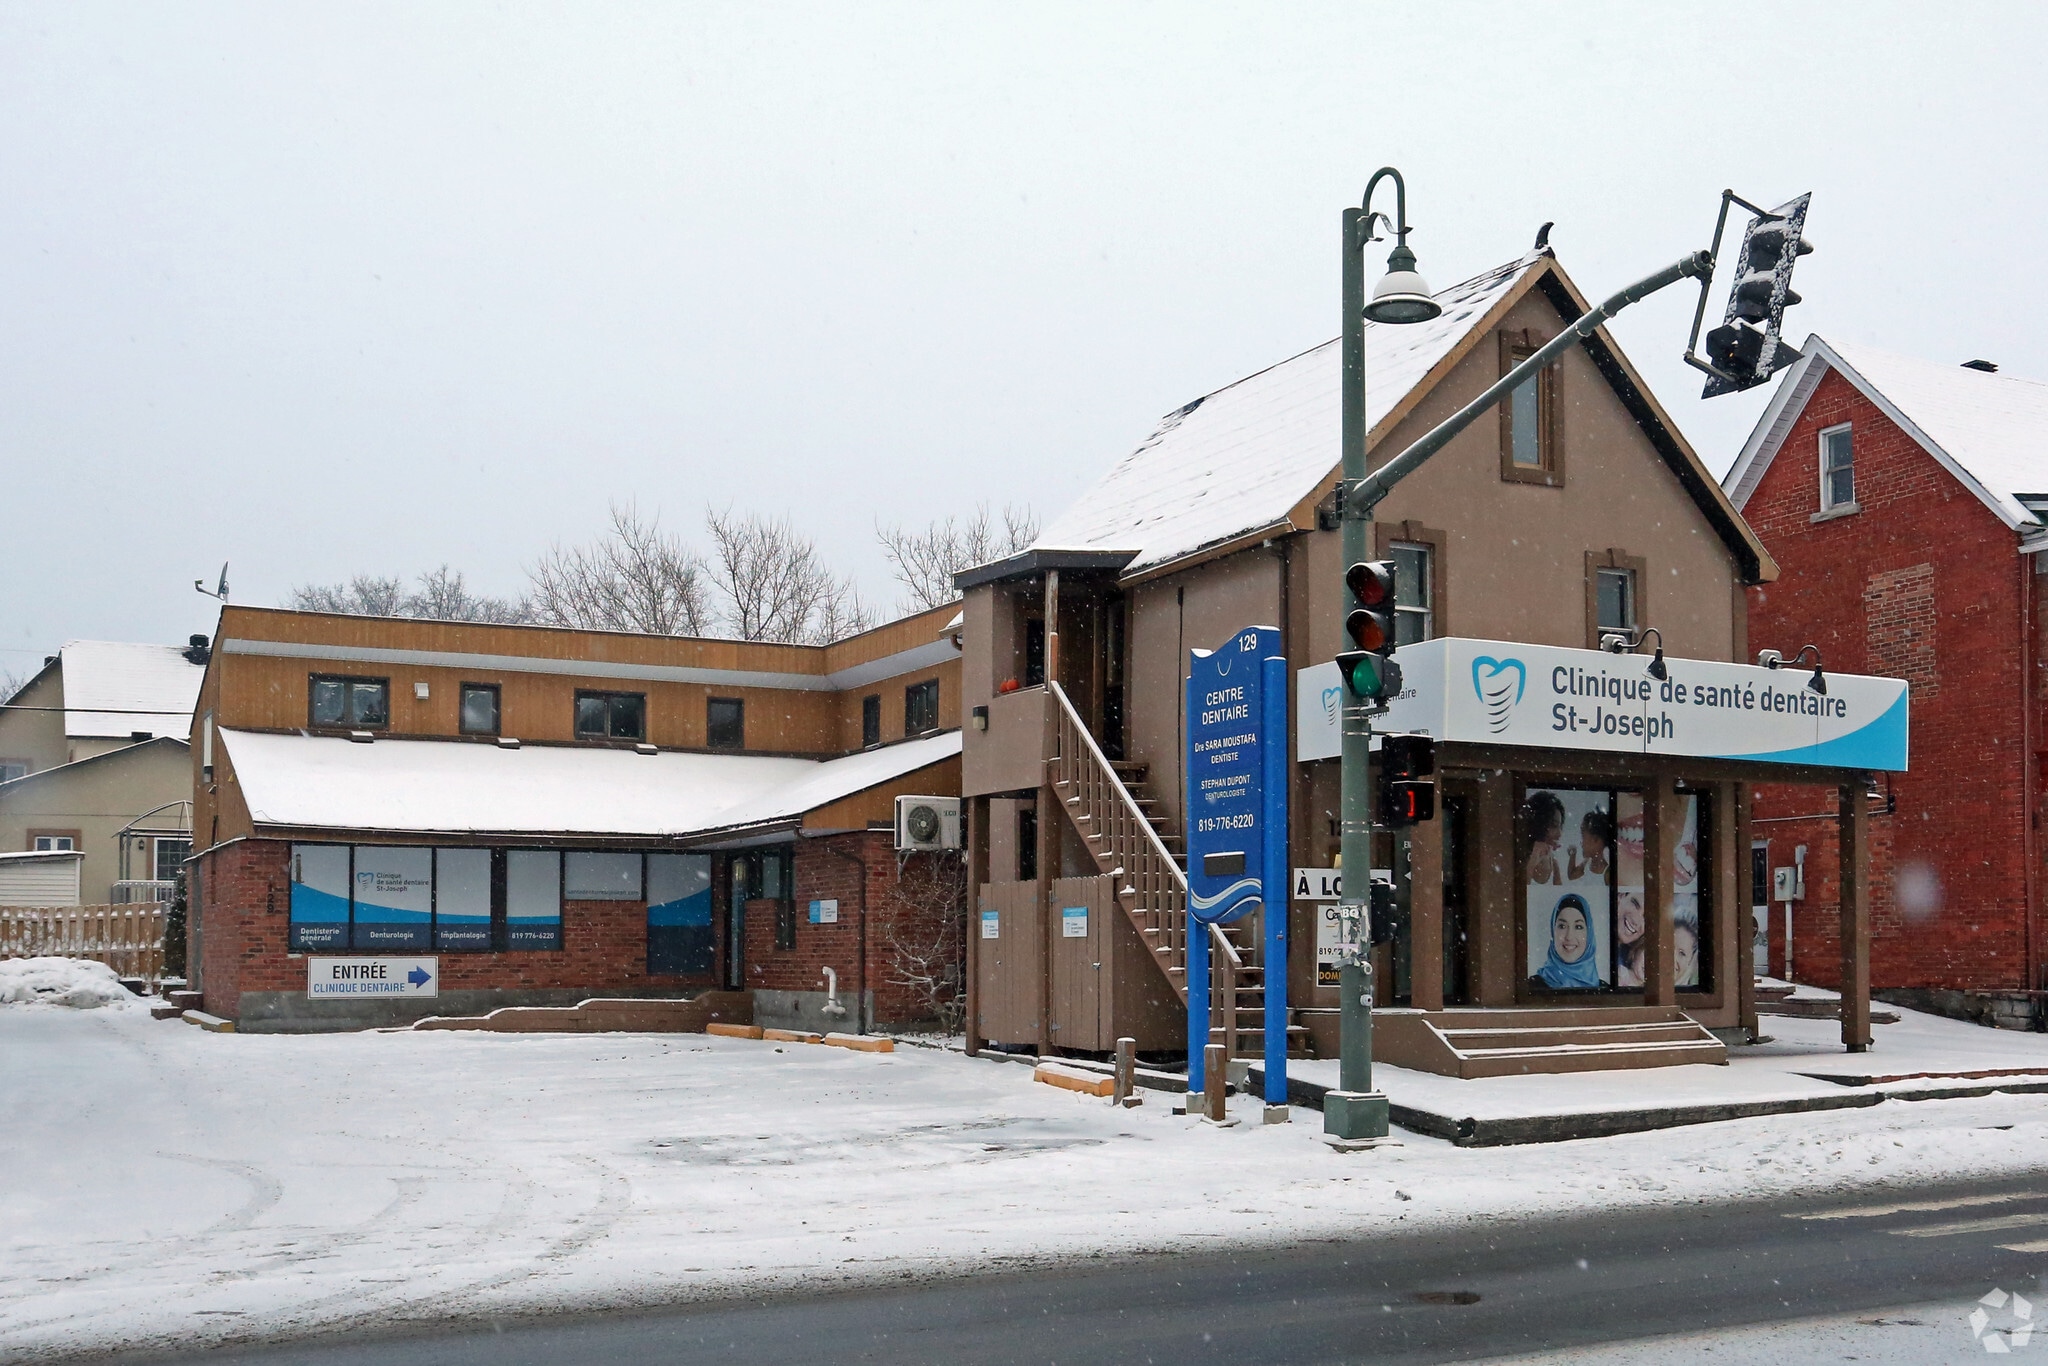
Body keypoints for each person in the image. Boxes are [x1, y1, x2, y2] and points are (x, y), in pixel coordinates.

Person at [1533, 892, 1601, 990]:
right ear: (1553, 931)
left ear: (1589, 934)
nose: (1569, 936)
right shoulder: (1533, 987)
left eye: (1578, 927)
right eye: (1562, 926)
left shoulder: (1604, 990)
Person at [1522, 791, 1566, 885]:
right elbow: (1520, 889)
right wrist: (1532, 860)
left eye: (1560, 826)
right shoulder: (1520, 856)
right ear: (1539, 824)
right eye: (1554, 825)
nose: (1559, 833)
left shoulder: (1552, 859)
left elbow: (1560, 890)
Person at [1566, 808, 1612, 882]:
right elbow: (1571, 875)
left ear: (1595, 840)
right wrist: (1573, 855)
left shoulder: (1607, 874)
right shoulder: (1586, 863)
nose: (1581, 843)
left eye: (1583, 836)